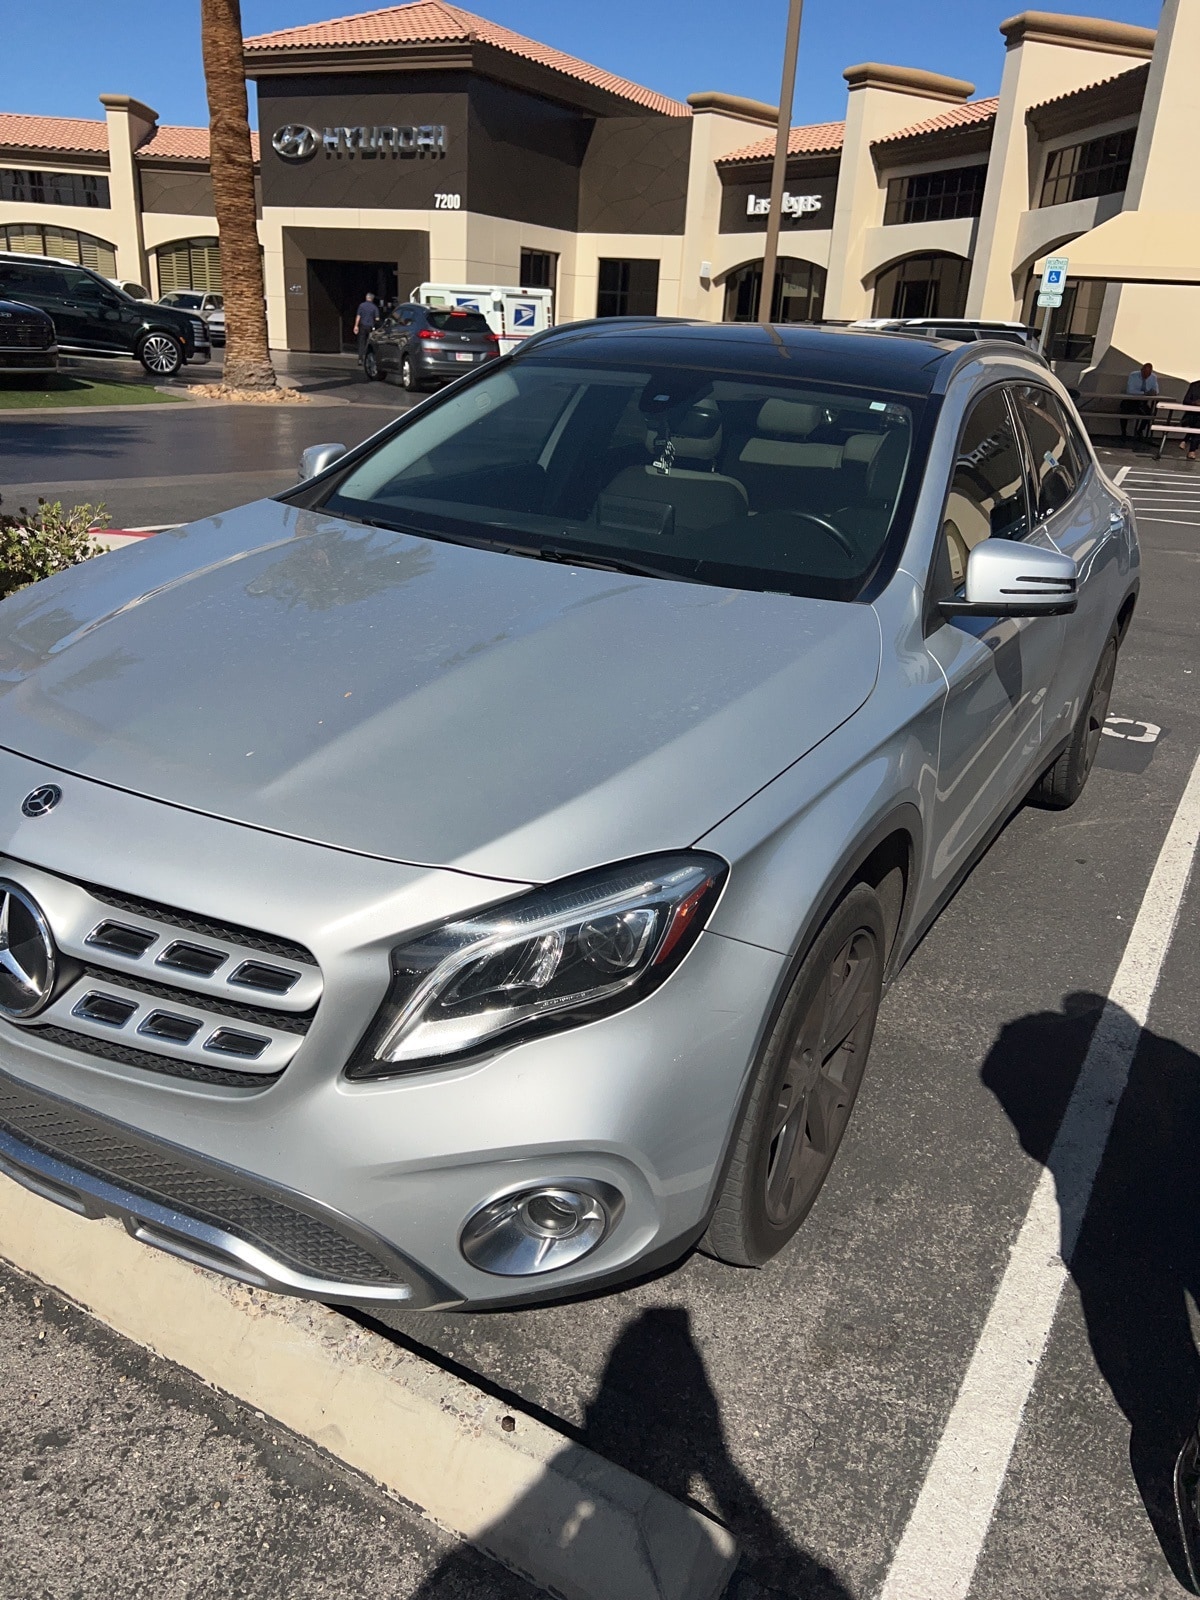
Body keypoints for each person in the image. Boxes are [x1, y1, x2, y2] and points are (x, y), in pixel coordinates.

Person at [1120, 360, 1160, 444]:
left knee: (1149, 414)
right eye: (1144, 373)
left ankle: (1140, 431)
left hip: (1142, 402)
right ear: (1141, 370)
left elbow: (1156, 390)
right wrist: (1145, 393)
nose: (1146, 375)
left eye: (1148, 374)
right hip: (1130, 401)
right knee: (1123, 410)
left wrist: (1153, 393)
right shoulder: (1133, 375)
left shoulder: (1153, 377)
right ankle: (1123, 432)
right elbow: (1130, 391)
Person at [353, 291, 379, 368]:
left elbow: (358, 316)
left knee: (361, 342)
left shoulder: (361, 306)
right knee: (370, 342)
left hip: (362, 326)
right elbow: (377, 318)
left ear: (366, 298)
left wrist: (356, 326)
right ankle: (368, 358)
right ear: (372, 299)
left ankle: (360, 358)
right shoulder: (374, 307)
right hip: (370, 327)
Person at [1179, 376, 1200, 461]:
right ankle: (1192, 450)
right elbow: (1186, 401)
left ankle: (1185, 440)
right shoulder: (1194, 385)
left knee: (1198, 424)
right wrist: (1194, 403)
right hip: (1191, 415)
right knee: (1198, 424)